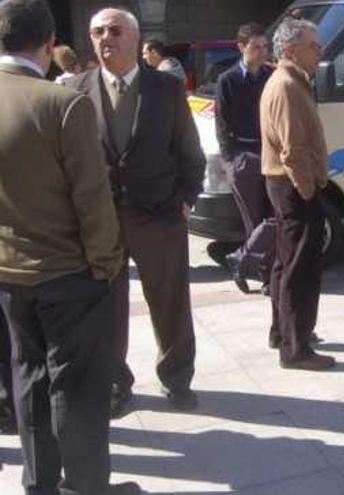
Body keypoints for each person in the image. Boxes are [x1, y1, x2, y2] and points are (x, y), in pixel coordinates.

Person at [0, 1, 140, 493]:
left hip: (9, 278)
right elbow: (93, 202)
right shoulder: (62, 104)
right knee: (78, 392)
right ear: (49, 40)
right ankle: (85, 487)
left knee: (30, 383)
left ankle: (39, 484)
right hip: (69, 276)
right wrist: (106, 266)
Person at [64, 7, 206, 415]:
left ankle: (177, 379)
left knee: (170, 304)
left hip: (159, 216)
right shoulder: (74, 90)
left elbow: (189, 152)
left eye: (114, 30)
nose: (105, 38)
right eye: (97, 32)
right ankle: (115, 384)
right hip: (100, 222)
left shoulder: (166, 88)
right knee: (107, 308)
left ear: (135, 37)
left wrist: (186, 199)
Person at [260, 18, 334, 370]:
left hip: (288, 185)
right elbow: (293, 149)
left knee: (285, 263)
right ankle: (296, 348)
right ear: (290, 50)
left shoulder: (292, 81)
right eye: (313, 46)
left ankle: (283, 332)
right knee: (299, 268)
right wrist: (308, 189)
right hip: (293, 187)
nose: (320, 52)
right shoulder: (287, 84)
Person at [215, 22, 275, 297]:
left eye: (265, 47)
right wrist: (232, 159)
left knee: (275, 217)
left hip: (270, 157)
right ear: (241, 47)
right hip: (242, 158)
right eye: (256, 47)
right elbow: (222, 123)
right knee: (254, 219)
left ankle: (241, 259)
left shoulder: (271, 76)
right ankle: (265, 277)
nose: (263, 52)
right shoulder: (227, 80)